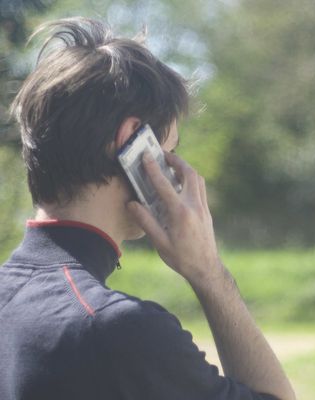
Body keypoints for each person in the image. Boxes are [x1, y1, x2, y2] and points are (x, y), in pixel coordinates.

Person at [0, 18, 295, 400]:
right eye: (168, 151)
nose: (173, 168)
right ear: (132, 143)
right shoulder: (115, 329)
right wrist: (209, 273)